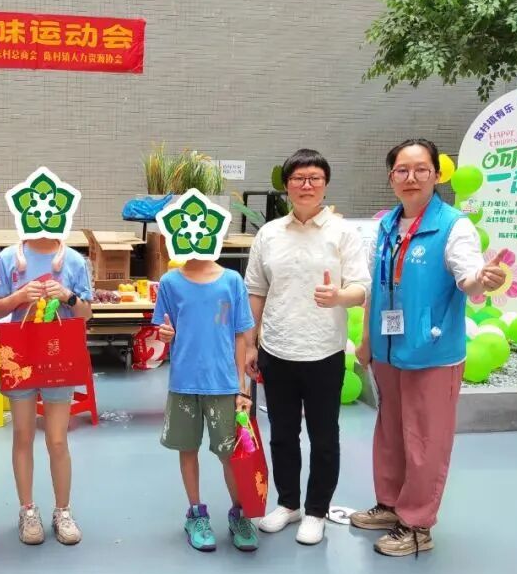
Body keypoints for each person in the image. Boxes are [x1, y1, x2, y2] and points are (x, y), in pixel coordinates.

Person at [351, 139, 505, 556]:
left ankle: (417, 525)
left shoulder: (454, 226)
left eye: (421, 169)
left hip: (432, 353)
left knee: (425, 439)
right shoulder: (385, 226)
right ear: (391, 177)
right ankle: (390, 505)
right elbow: (374, 288)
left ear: (437, 175)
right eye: (402, 170)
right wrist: (366, 341)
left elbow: (467, 275)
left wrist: (481, 280)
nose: (411, 177)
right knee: (390, 432)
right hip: (388, 351)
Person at [244, 149, 370, 545]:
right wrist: (250, 344)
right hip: (277, 349)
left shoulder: (343, 233)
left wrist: (339, 296)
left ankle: (316, 510)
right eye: (298, 178)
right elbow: (255, 290)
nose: (306, 185)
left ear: (325, 184)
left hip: (324, 351)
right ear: (287, 186)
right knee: (282, 433)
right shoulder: (269, 234)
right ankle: (288, 504)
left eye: (315, 178)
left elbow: (361, 288)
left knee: (323, 436)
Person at [0, 237, 93, 546]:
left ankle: (63, 511)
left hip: (59, 354)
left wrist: (67, 296)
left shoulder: (73, 260)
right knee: (22, 434)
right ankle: (27, 510)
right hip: (20, 353)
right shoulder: (9, 257)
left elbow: (86, 313)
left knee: (57, 439)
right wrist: (20, 296)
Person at [153, 255, 257, 552]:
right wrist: (165, 334)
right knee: (188, 449)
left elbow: (239, 336)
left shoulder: (232, 281)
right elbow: (164, 328)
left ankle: (240, 514)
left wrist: (241, 388)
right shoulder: (170, 283)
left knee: (230, 454)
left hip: (224, 383)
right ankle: (196, 514)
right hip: (184, 382)